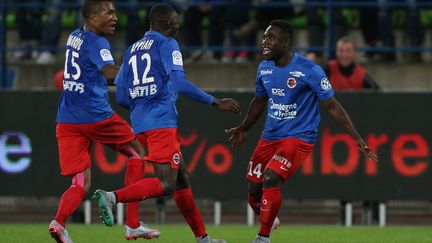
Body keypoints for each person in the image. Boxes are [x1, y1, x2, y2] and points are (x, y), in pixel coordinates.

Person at [91, 3, 240, 243]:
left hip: (140, 124)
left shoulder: (131, 50)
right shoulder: (168, 44)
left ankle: (203, 238)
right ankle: (112, 197)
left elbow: (120, 95)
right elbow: (180, 84)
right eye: (176, 21)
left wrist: (141, 108)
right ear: (168, 23)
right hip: (161, 123)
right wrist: (215, 101)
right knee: (167, 184)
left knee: (181, 181)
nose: (179, 25)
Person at [225, 20, 378, 243]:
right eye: (265, 37)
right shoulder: (264, 67)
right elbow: (259, 102)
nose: (264, 42)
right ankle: (268, 216)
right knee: (254, 189)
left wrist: (356, 138)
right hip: (270, 136)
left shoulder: (310, 70)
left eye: (271, 38)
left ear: (286, 43)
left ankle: (263, 237)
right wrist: (243, 128)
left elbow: (332, 106)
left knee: (270, 177)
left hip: (298, 137)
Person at [48, 1, 160, 242]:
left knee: (80, 182)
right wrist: (141, 75)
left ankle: (59, 223)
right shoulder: (99, 42)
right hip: (96, 116)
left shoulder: (74, 35)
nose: (115, 17)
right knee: (138, 154)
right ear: (91, 16)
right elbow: (110, 74)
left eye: (115, 12)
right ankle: (132, 225)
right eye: (108, 12)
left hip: (67, 119)